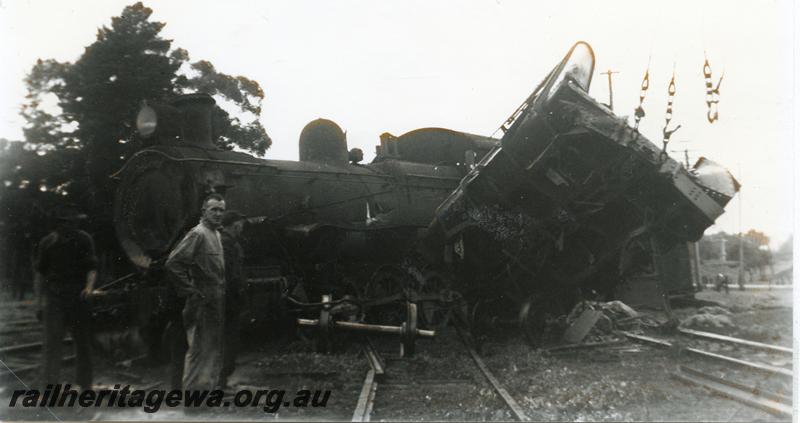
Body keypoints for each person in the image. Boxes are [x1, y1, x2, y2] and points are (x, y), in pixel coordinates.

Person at [166, 194, 226, 390]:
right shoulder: (198, 234)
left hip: (215, 300)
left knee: (212, 349)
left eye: (221, 210)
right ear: (203, 212)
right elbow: (173, 263)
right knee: (198, 351)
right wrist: (190, 291)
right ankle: (192, 404)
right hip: (201, 301)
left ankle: (205, 395)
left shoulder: (216, 234)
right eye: (213, 209)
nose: (218, 214)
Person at [33, 205, 97, 389]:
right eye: (67, 222)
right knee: (52, 345)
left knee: (83, 343)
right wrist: (38, 303)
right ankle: (49, 388)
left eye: (74, 222)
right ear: (59, 224)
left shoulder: (85, 240)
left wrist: (89, 287)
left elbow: (92, 268)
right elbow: (39, 274)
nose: (71, 225)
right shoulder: (47, 243)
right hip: (55, 298)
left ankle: (85, 387)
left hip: (78, 297)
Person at [219, 210, 246, 388]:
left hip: (222, 297)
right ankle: (221, 381)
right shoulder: (227, 244)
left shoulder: (219, 240)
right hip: (227, 298)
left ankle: (220, 380)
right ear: (236, 225)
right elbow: (232, 275)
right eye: (241, 226)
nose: (242, 229)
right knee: (228, 340)